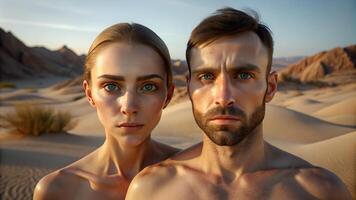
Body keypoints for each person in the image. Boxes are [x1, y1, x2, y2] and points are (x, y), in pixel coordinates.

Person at [126, 8, 352, 200]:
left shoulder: (321, 191)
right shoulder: (150, 189)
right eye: (206, 77)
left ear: (270, 87)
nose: (223, 97)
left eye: (243, 75)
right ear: (190, 88)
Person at [33, 23, 179, 200]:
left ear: (168, 94)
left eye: (148, 86)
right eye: (111, 86)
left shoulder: (196, 175)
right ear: (89, 94)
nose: (129, 106)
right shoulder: (56, 190)